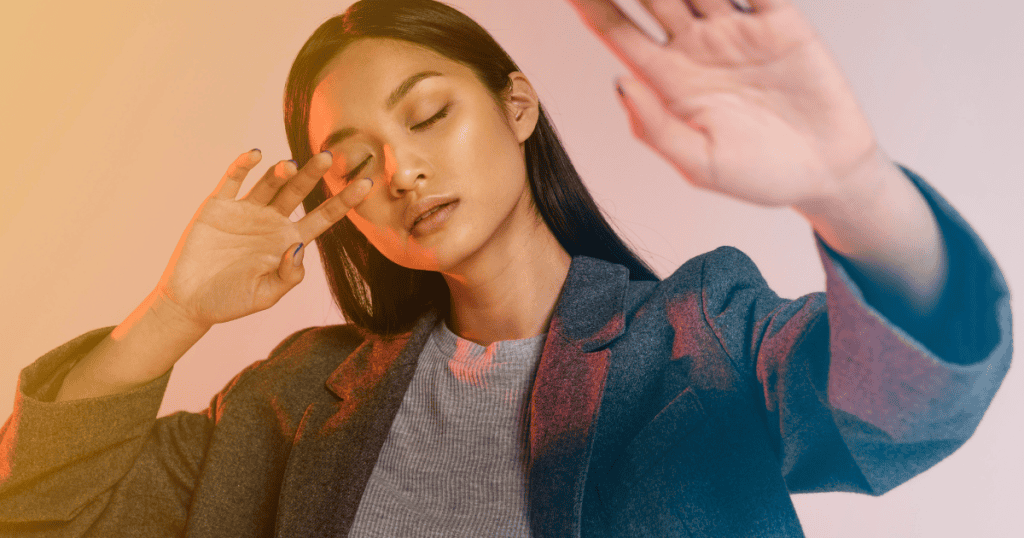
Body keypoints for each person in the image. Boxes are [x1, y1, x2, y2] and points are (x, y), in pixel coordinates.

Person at [0, 0, 1012, 536]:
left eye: (429, 112)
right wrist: (171, 314)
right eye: (352, 161)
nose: (402, 170)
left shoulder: (697, 334)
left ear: (515, 107)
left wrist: (850, 187)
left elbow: (909, 404)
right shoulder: (287, 404)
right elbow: (39, 516)